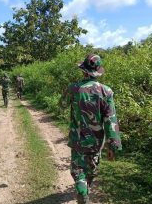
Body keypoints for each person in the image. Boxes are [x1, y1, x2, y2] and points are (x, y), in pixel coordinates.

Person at [60, 54, 122, 204]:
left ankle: (82, 190)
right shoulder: (106, 91)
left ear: (84, 71)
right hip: (96, 141)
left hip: (78, 139)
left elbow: (62, 105)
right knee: (91, 169)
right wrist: (113, 145)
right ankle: (85, 188)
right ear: (97, 72)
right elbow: (110, 120)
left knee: (78, 170)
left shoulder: (74, 88)